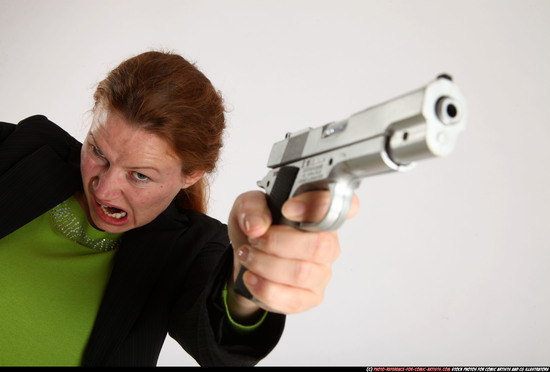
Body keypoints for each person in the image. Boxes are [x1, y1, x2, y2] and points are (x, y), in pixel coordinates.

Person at [0, 51, 359, 366]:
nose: (105, 188)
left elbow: (222, 346)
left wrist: (249, 285)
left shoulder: (191, 250)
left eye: (139, 175)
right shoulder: (19, 148)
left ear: (191, 175)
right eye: (97, 152)